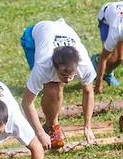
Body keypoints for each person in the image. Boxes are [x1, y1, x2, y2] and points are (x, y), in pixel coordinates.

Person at [19, 19, 97, 149]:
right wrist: (39, 133)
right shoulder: (43, 65)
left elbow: (88, 92)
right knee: (53, 88)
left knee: (57, 85)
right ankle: (52, 128)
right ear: (54, 66)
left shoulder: (85, 65)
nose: (67, 80)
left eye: (71, 75)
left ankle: (51, 126)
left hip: (61, 28)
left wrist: (87, 126)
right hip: (33, 38)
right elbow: (26, 103)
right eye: (63, 75)